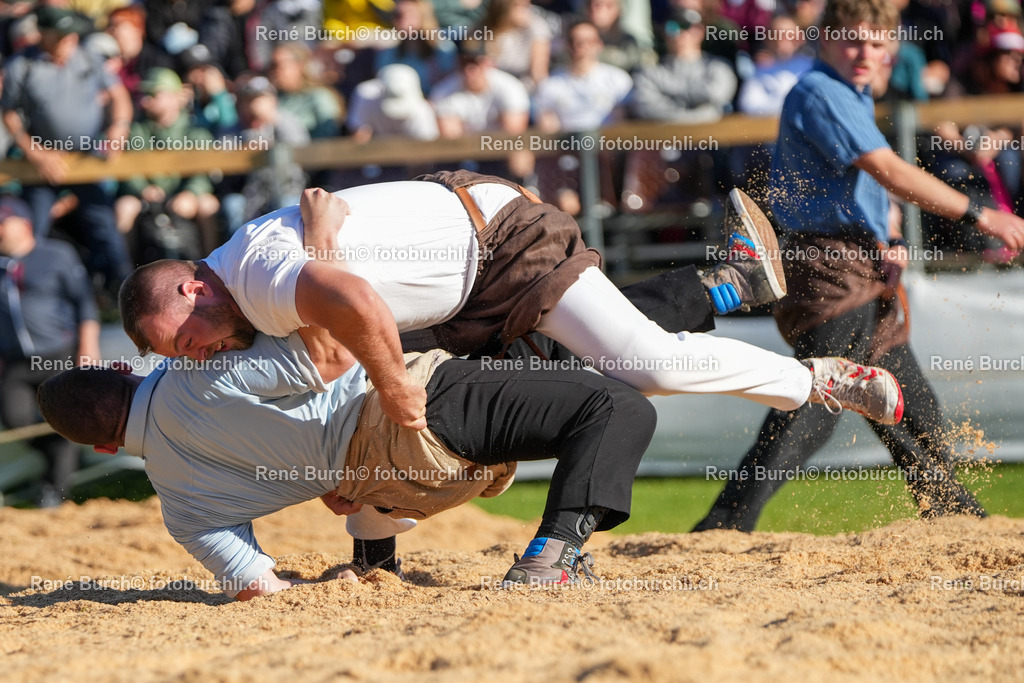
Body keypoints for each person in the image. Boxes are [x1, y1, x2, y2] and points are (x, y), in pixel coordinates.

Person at [118, 174, 905, 436]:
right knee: (446, 413)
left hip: (500, 246)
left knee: (645, 365)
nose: (193, 353)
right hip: (466, 288)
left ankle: (822, 377)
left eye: (180, 339)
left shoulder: (250, 275)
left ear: (192, 287)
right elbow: (333, 340)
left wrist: (391, 381)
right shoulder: (247, 288)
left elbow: (350, 299)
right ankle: (373, 554)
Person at [693, 0, 1024, 532]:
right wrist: (981, 213)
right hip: (826, 268)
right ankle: (724, 525)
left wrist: (889, 236)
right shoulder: (821, 91)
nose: (865, 53)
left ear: (891, 47)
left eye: (876, 42)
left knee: (913, 408)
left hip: (854, 267)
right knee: (817, 401)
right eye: (852, 40)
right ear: (824, 40)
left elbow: (873, 189)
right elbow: (889, 170)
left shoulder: (851, 93)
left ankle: (952, 515)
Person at [37, 322, 657, 596]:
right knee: (616, 407)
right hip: (416, 415)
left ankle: (707, 290)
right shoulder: (193, 373)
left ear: (104, 447)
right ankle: (550, 558)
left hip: (413, 488)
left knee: (538, 345)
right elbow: (329, 355)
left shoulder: (181, 508)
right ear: (123, 368)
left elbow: (260, 588)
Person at [1, 6, 133, 296]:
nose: (69, 40)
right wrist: (35, 152)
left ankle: (126, 294)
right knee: (31, 231)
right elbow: (9, 114)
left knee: (106, 228)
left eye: (72, 34)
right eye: (61, 35)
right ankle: (24, 298)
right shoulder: (21, 65)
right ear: (43, 34)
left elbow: (118, 95)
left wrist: (119, 127)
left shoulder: (88, 57)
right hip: (43, 164)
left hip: (86, 159)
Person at [0, 196, 99, 506]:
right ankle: (58, 464)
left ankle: (57, 492)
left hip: (58, 353)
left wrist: (88, 346)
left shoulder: (56, 254)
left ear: (25, 224)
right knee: (15, 419)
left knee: (64, 415)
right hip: (15, 361)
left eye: (4, 220)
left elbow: (84, 303)